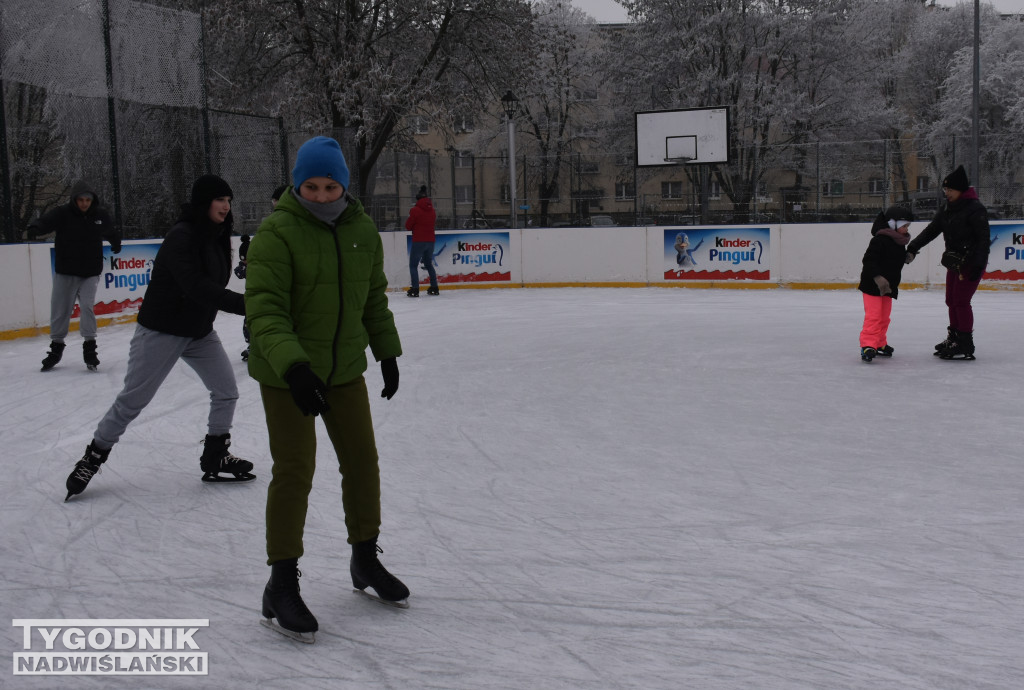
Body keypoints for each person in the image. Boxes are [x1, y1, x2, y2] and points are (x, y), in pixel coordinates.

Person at [245, 136, 407, 642]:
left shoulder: (361, 230)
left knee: (362, 460)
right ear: (298, 185)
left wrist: (386, 350)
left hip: (343, 371)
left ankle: (364, 558)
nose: (319, 195)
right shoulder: (276, 233)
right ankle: (281, 583)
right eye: (310, 186)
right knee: (295, 472)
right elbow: (265, 311)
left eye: (329, 185)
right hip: (286, 375)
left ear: (343, 184)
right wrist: (294, 368)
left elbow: (371, 299)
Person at [64, 174, 255, 501]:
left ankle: (215, 455)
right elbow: (194, 285)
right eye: (219, 199)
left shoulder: (220, 236)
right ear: (203, 202)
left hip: (198, 331)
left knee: (226, 391)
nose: (225, 206)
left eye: (228, 200)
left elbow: (214, 283)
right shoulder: (181, 237)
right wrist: (245, 305)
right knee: (132, 401)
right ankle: (93, 456)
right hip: (162, 330)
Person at [28, 181, 122, 372]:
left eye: (88, 200)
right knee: (60, 309)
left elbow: (109, 230)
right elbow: (46, 221)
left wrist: (115, 241)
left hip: (90, 272)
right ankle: (56, 347)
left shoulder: (99, 215)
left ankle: (89, 347)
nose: (84, 203)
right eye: (81, 200)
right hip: (67, 271)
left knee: (87, 306)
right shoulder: (63, 213)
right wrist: (35, 228)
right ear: (75, 199)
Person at [905, 165, 990, 360]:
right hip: (954, 262)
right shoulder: (947, 209)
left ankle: (965, 342)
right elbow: (932, 230)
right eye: (945, 190)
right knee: (950, 300)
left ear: (961, 189)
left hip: (970, 263)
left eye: (950, 190)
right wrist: (913, 247)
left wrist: (978, 265)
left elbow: (983, 240)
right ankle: (954, 337)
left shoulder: (975, 209)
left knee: (961, 301)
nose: (947, 193)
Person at [237, 185, 287, 362]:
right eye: (274, 202)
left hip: (282, 287)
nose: (274, 205)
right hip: (267, 286)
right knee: (257, 317)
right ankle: (255, 344)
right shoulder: (270, 227)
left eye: (276, 201)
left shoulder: (288, 227)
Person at [858, 206, 914, 362]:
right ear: (892, 224)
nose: (906, 228)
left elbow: (892, 259)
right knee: (874, 317)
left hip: (888, 287)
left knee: (884, 317)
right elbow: (868, 261)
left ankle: (880, 343)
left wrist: (906, 257)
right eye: (904, 225)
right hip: (873, 285)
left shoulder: (898, 242)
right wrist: (878, 278)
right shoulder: (879, 240)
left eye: (907, 226)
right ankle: (868, 345)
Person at [405, 185, 439, 297]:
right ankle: (434, 287)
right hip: (431, 241)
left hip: (419, 241)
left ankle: (415, 289)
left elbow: (408, 226)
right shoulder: (432, 211)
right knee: (429, 264)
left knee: (413, 265)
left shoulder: (415, 210)